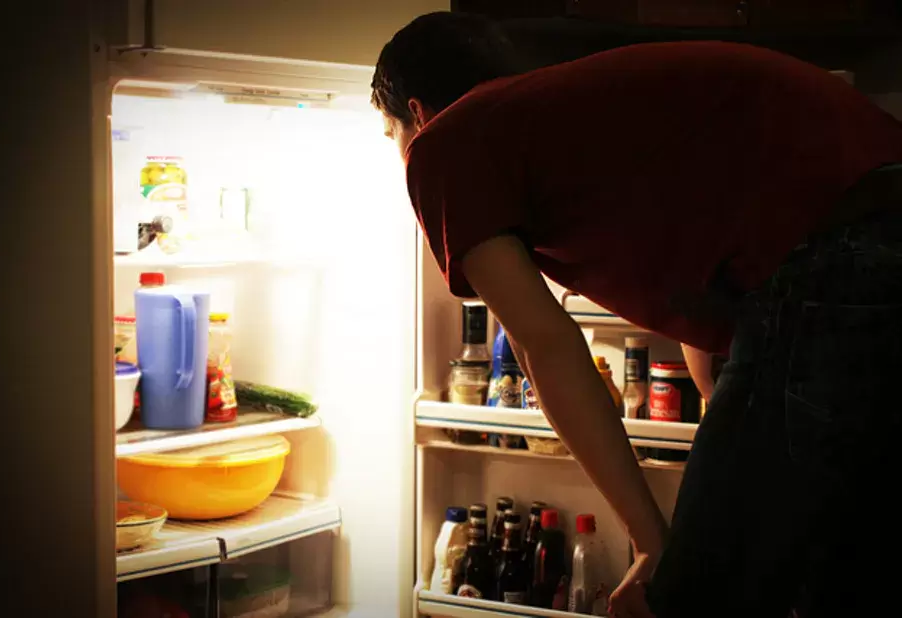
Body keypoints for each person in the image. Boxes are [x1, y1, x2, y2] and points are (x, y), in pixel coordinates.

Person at [372, 11, 902, 618]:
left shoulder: (445, 143)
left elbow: (544, 344)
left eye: (391, 137)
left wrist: (652, 543)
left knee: (697, 589)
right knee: (841, 566)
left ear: (418, 114)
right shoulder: (577, 118)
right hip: (866, 229)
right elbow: (710, 262)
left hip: (838, 255)